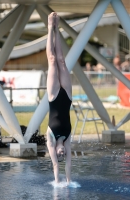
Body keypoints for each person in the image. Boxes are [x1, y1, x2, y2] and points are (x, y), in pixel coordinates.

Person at [46, 12, 72, 184]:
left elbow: (57, 166)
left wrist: (58, 183)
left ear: (56, 151)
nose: (62, 154)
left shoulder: (51, 139)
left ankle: (50, 27)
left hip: (54, 96)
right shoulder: (68, 137)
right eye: (64, 154)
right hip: (68, 96)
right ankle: (58, 27)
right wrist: (69, 182)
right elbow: (68, 165)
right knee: (62, 61)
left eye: (59, 154)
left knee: (52, 59)